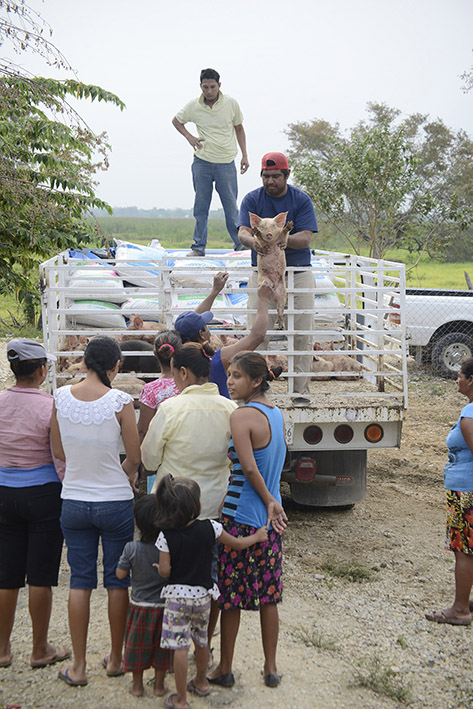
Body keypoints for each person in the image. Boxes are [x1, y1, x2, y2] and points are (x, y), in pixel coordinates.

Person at [50, 335, 141, 687]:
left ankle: (79, 666)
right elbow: (134, 457)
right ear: (115, 366)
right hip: (115, 503)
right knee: (118, 582)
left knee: (80, 581)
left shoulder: (60, 397)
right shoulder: (120, 401)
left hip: (73, 499)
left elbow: (59, 452)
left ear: (85, 362)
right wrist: (115, 476)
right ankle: (117, 659)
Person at [208, 352, 287, 690]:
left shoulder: (242, 417)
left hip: (241, 517)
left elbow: (250, 468)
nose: (230, 381)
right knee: (269, 595)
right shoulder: (275, 413)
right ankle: (270, 668)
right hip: (272, 520)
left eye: (237, 376)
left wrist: (267, 499)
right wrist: (273, 502)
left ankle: (225, 667)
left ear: (256, 380)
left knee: (230, 597)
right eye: (229, 374)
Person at [154, 474, 267, 709]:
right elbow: (236, 543)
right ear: (198, 505)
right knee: (201, 640)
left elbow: (165, 572)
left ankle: (181, 698)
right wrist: (256, 537)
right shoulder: (212, 527)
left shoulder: (165, 536)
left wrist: (159, 567)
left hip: (177, 599)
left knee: (180, 646)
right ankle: (202, 682)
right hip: (204, 596)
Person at [0, 339, 69, 670]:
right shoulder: (50, 405)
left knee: (6, 575)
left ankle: (2, 650)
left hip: (4, 493)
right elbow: (58, 455)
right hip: (42, 495)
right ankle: (39, 648)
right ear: (42, 370)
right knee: (40, 576)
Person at [237, 151, 319, 400]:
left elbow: (304, 238)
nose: (270, 181)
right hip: (263, 275)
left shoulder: (300, 200)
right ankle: (257, 392)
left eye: (275, 176)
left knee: (302, 335)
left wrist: (285, 240)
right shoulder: (252, 199)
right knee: (258, 334)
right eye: (265, 176)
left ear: (286, 175)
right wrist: (254, 243)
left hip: (297, 272)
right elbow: (242, 232)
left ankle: (299, 392)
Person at [172, 67, 249, 256]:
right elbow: (176, 120)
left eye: (212, 87)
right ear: (200, 86)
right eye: (205, 87)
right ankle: (198, 247)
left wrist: (245, 155)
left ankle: (240, 246)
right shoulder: (194, 105)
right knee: (201, 207)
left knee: (231, 207)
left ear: (219, 85)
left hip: (226, 162)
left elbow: (239, 128)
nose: (209, 91)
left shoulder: (231, 103)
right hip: (202, 162)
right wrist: (190, 137)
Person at [425, 357, 473, 626]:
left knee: (463, 550)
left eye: (460, 375)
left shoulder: (469, 416)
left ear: (471, 381)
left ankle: (460, 609)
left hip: (465, 491)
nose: (457, 380)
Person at [175, 280, 273, 398]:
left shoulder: (175, 359)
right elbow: (257, 336)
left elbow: (189, 324)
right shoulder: (216, 359)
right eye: (206, 327)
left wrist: (214, 292)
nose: (209, 331)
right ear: (201, 334)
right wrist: (263, 300)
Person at [116, 495, 172, 698]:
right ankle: (159, 686)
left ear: (136, 522)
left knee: (137, 646)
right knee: (161, 648)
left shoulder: (131, 548)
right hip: (164, 607)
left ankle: (137, 686)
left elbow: (120, 575)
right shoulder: (167, 550)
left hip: (139, 606)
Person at [137, 330, 182, 493]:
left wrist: (141, 463)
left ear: (155, 354)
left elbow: (143, 430)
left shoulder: (150, 390)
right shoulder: (188, 386)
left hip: (159, 461)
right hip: (185, 454)